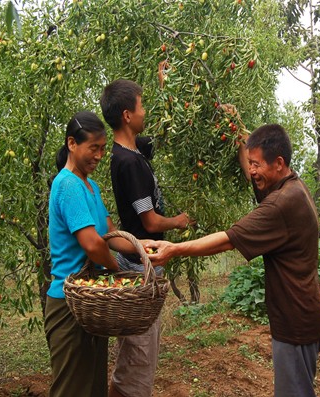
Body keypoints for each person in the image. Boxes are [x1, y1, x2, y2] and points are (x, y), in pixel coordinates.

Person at [146, 124, 320, 397]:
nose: (252, 170)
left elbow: (228, 239)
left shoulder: (282, 203)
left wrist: (173, 248)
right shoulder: (292, 184)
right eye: (250, 162)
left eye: (256, 164)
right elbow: (253, 172)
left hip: (296, 322)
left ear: (278, 163)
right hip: (305, 313)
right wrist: (240, 131)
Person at [100, 79, 195, 397]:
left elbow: (164, 132)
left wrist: (164, 85)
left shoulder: (129, 152)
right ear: (127, 115)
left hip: (138, 262)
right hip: (141, 266)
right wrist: (179, 222)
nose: (146, 111)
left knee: (138, 351)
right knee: (139, 354)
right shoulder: (130, 164)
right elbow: (150, 220)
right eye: (142, 105)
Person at [44, 111, 138, 397]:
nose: (99, 155)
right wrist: (117, 272)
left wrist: (146, 247)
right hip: (68, 303)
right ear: (72, 144)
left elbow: (110, 236)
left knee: (93, 385)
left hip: (90, 301)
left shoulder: (90, 186)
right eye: (93, 148)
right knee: (72, 388)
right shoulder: (68, 185)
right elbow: (94, 245)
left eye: (102, 148)